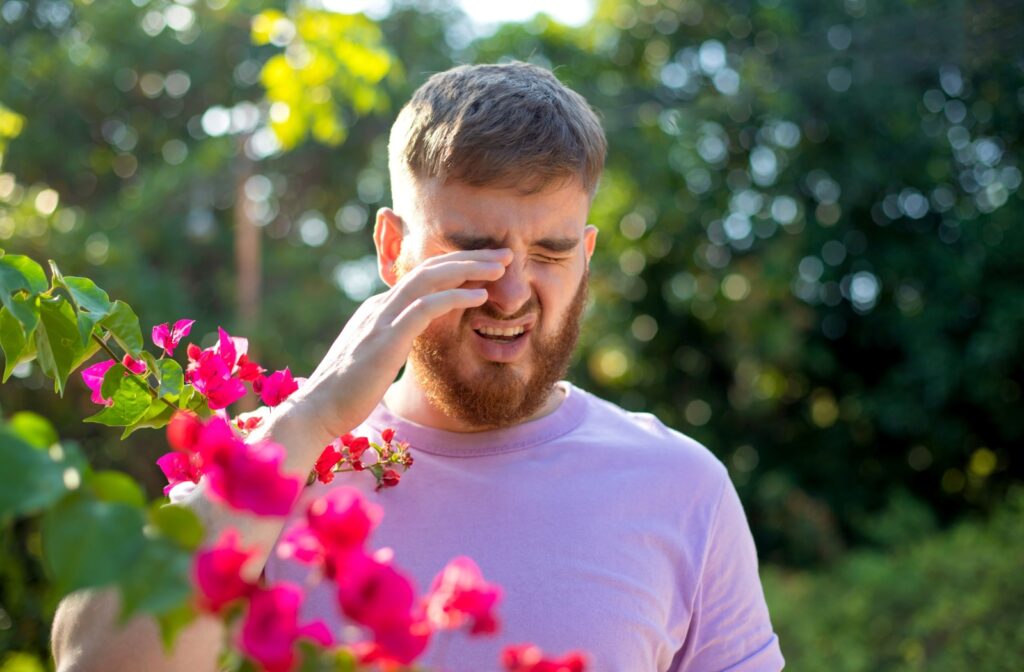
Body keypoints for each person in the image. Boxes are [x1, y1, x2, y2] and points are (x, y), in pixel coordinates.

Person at [52, 62, 784, 671]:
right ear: (391, 248)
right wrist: (308, 421)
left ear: (587, 257)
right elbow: (93, 658)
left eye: (551, 254)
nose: (512, 290)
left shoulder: (680, 486)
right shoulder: (277, 456)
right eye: (473, 249)